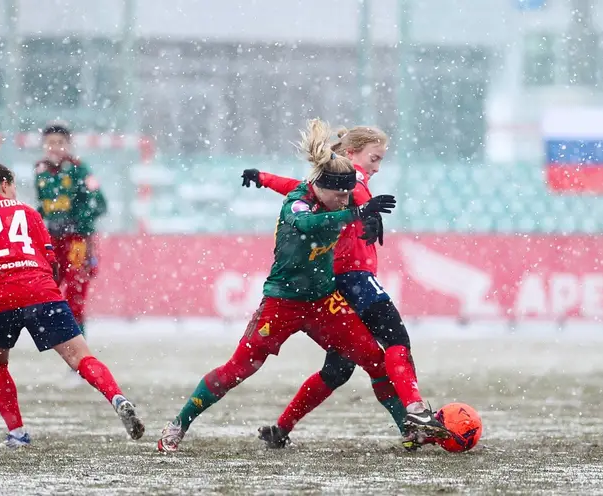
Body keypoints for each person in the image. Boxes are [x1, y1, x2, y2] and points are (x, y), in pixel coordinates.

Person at [157, 119, 445, 452]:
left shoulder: (336, 197)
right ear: (320, 188)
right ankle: (180, 423)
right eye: (339, 195)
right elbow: (308, 223)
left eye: (347, 195)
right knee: (238, 370)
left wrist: (360, 211)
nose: (344, 200)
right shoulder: (298, 205)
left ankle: (410, 431)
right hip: (283, 305)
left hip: (324, 303)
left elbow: (341, 207)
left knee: (375, 361)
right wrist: (357, 213)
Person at [0, 163, 143, 449]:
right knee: (80, 357)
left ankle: (17, 432)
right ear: (5, 185)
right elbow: (51, 260)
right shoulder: (29, 213)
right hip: (41, 292)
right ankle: (116, 397)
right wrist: (45, 288)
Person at [242, 125, 441, 450]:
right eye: (374, 158)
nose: (376, 166)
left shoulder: (328, 184)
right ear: (351, 154)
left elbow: (297, 187)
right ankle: (415, 412)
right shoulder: (355, 182)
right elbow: (358, 191)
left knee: (338, 370)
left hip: (332, 284)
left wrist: (263, 177)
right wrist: (365, 214)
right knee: (396, 340)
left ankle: (280, 429)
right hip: (354, 279)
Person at [35, 124, 107, 338]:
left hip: (77, 240)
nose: (54, 147)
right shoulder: (40, 171)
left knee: (76, 289)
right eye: (50, 143)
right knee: (48, 286)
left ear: (69, 145)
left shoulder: (80, 170)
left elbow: (100, 203)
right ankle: (54, 335)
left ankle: (78, 341)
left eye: (59, 143)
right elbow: (44, 206)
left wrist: (77, 221)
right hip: (52, 240)